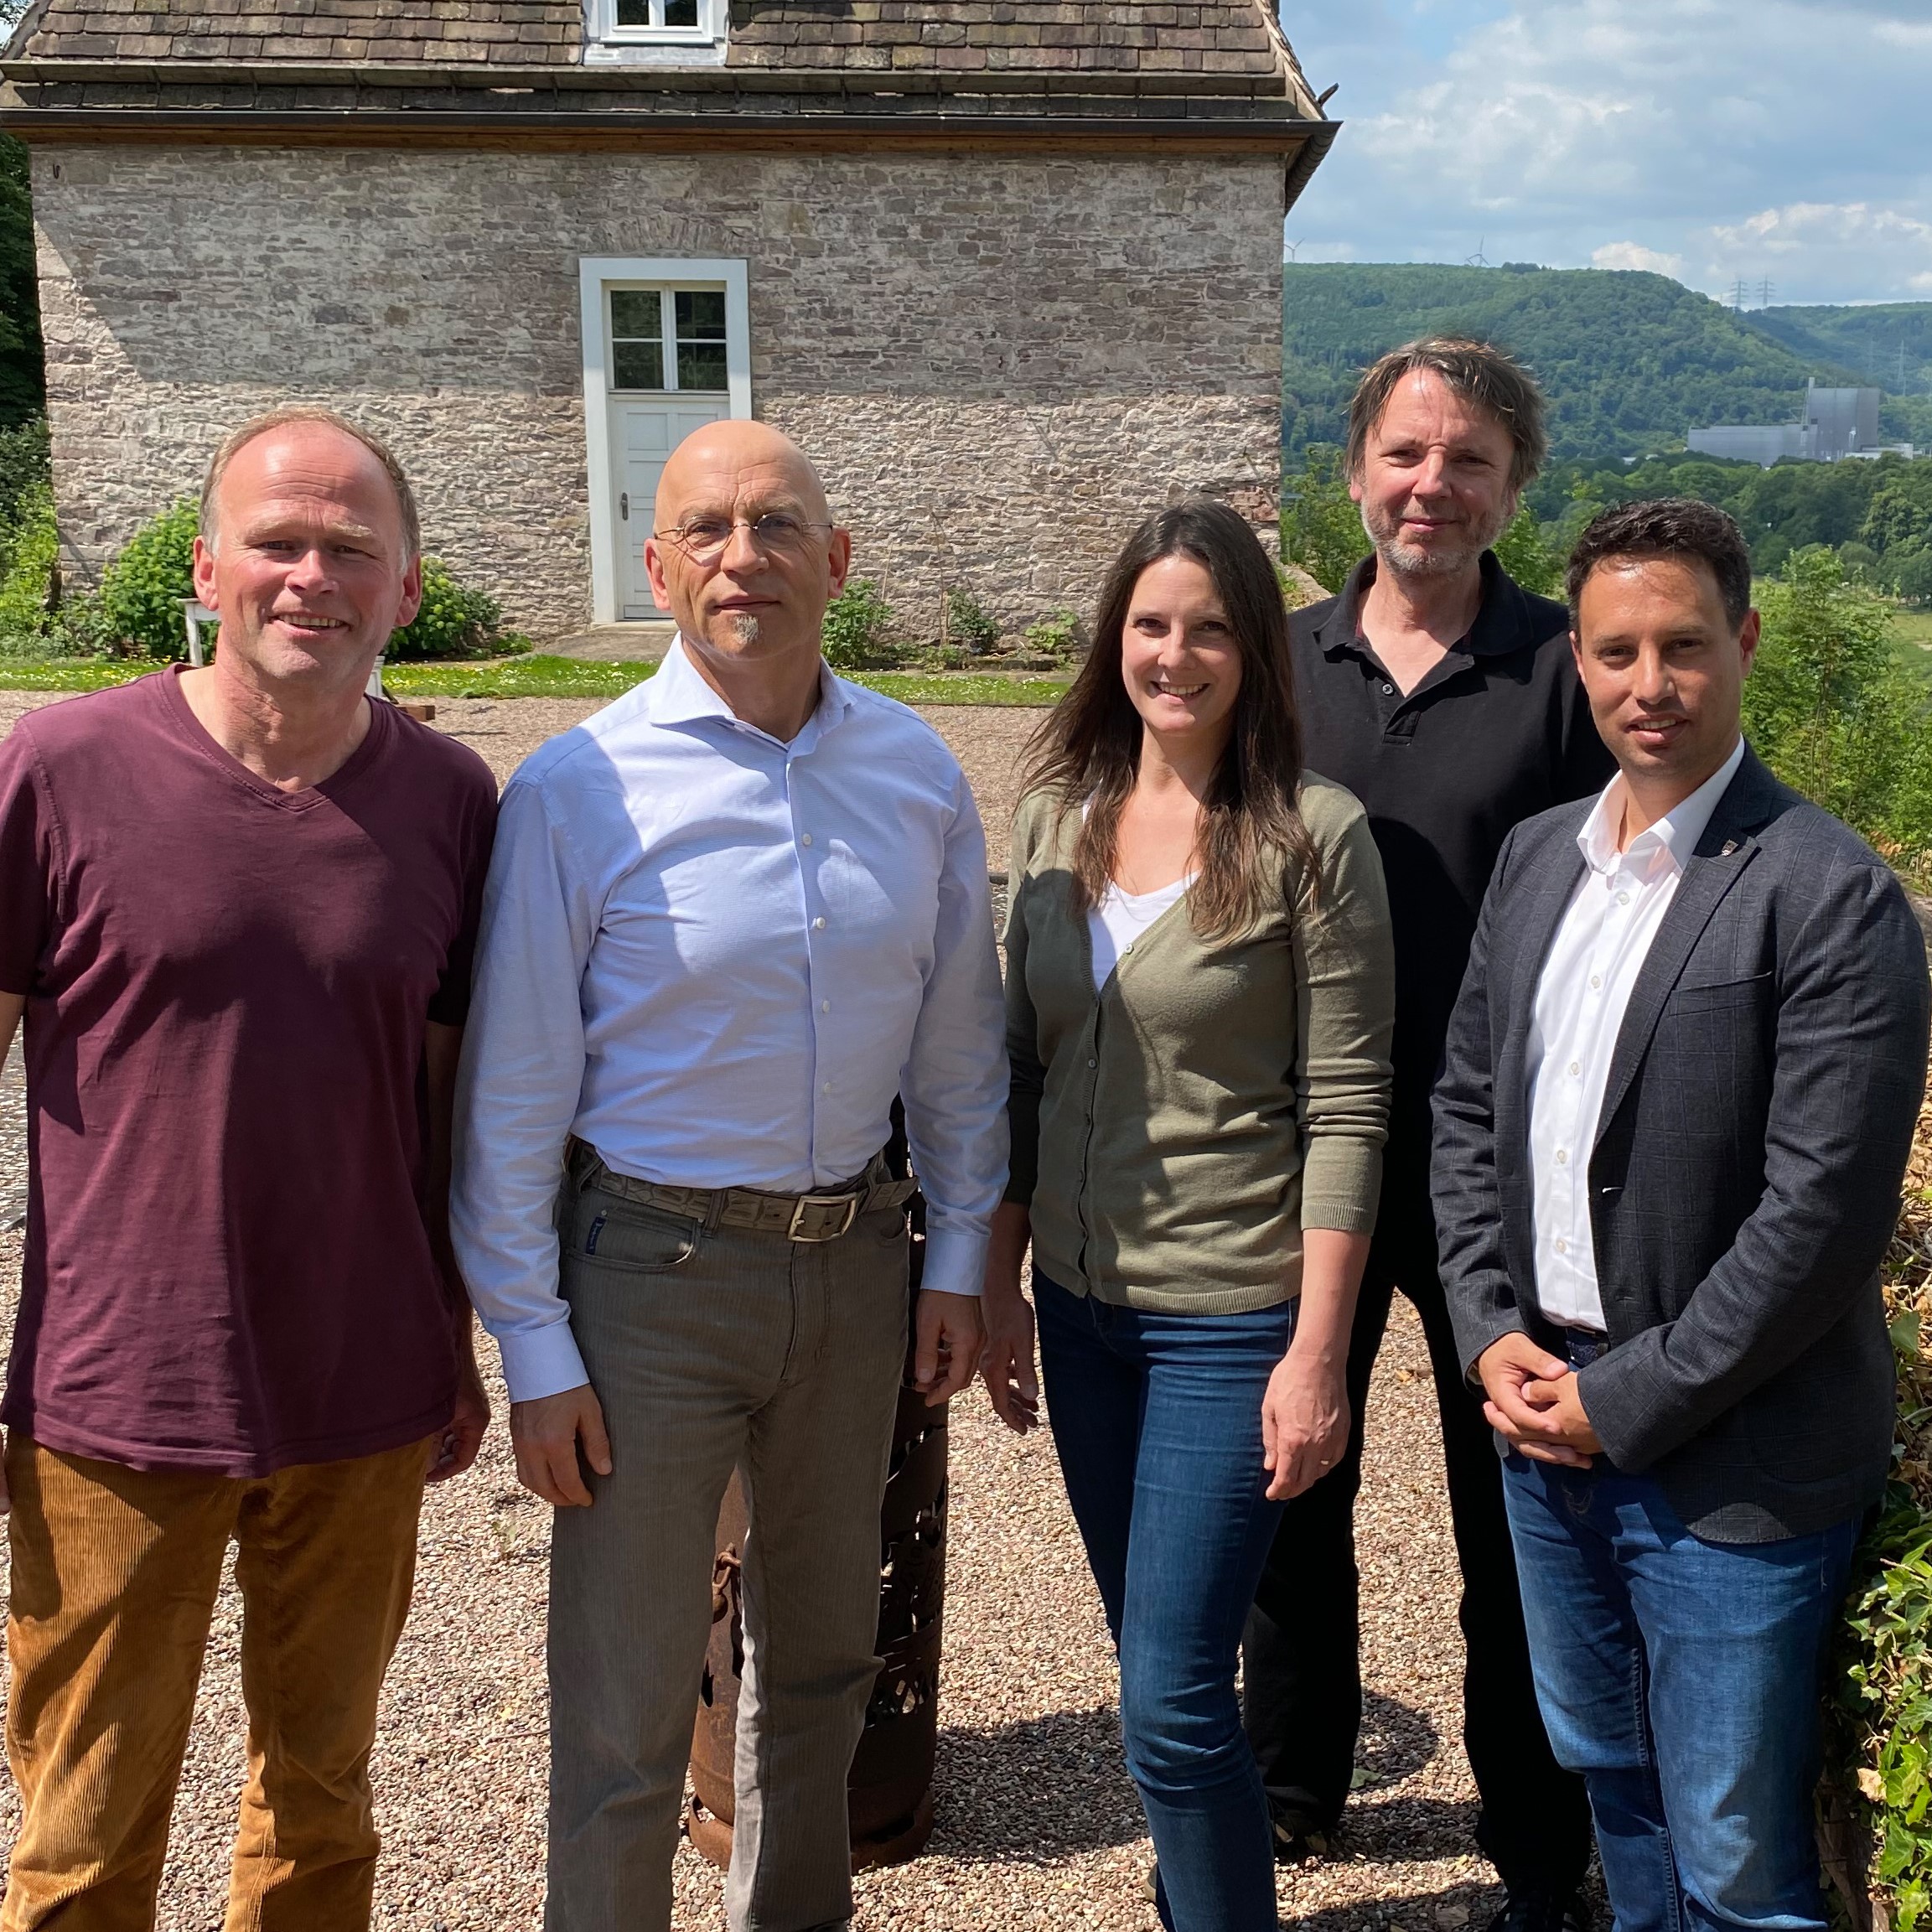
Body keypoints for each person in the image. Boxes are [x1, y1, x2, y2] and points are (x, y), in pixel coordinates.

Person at [450, 418, 1007, 1932]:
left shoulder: (915, 772)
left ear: (838, 559)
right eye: (704, 528)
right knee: (627, 1702)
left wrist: (958, 1258)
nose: (741, 556)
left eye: (775, 525)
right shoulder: (579, 786)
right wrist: (533, 1340)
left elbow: (957, 1049)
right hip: (650, 1277)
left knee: (821, 1666)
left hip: (855, 1268)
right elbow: (515, 1084)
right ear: (657, 567)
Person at [0, 407, 497, 1929]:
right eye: (276, 541)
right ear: (208, 569)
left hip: (361, 1389)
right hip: (114, 1396)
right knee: (83, 1831)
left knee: (321, 1806)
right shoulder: (60, 768)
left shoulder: (451, 801)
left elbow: (447, 1105)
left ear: (407, 586)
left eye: (351, 547)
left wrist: (457, 1335)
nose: (311, 576)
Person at [1434, 498, 1929, 1932]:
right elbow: (1465, 1108)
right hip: (1541, 1427)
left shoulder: (1827, 892)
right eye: (1615, 651)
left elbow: (1818, 1218)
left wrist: (1622, 1398)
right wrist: (1486, 1328)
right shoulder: (1538, 857)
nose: (1647, 683)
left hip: (1731, 1463)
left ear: (1744, 642)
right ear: (1576, 663)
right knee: (1614, 1783)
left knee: (1733, 1858)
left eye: (1682, 646)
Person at [979, 497, 1396, 1932]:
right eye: (1151, 623)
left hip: (1228, 1319)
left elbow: (1348, 1105)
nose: (1175, 653)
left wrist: (1317, 1355)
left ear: (1253, 650)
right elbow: (1019, 1067)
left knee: (1166, 1701)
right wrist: (996, 1284)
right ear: (1114, 638)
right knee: (1159, 1674)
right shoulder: (1055, 820)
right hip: (1080, 1314)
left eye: (1210, 626)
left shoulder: (1310, 835)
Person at [1245, 337, 1603, 1914]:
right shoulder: (1277, 664)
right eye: (1403, 453)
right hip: (1297, 1148)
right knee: (1288, 1486)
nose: (1430, 485)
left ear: (1513, 485)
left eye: (1467, 460)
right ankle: (1289, 1785)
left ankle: (1535, 1841)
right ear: (1353, 473)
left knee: (1509, 1512)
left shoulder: (1566, 672)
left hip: (1497, 1166)